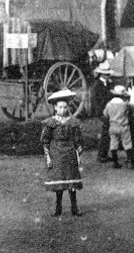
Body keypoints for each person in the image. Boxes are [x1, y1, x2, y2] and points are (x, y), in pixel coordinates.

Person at [40, 89, 84, 217]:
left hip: (70, 152)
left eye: (65, 107)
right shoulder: (50, 123)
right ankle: (58, 208)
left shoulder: (72, 122)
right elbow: (46, 141)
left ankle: (74, 207)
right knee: (58, 181)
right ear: (55, 107)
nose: (63, 110)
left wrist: (79, 154)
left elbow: (78, 140)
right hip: (56, 152)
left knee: (71, 181)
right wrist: (48, 157)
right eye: (60, 107)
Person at [103, 85, 134, 169]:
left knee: (113, 144)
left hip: (113, 127)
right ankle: (131, 162)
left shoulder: (109, 104)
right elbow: (131, 113)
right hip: (123, 126)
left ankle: (115, 162)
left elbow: (105, 114)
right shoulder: (125, 104)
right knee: (127, 144)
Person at [91, 61, 115, 163]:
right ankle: (101, 155)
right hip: (102, 112)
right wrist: (101, 113)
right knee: (105, 133)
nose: (107, 75)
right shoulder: (97, 85)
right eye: (106, 74)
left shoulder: (108, 84)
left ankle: (104, 154)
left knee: (107, 133)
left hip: (108, 111)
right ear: (102, 74)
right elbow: (95, 101)